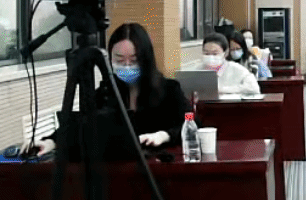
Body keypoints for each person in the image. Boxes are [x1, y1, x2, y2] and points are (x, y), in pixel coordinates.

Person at [35, 23, 191, 157]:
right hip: (116, 171)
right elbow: (80, 126)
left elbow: (192, 124)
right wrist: (51, 141)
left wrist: (163, 135)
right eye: (119, 60)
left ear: (146, 59)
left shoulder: (169, 89)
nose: (127, 66)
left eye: (134, 60)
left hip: (158, 169)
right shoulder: (106, 92)